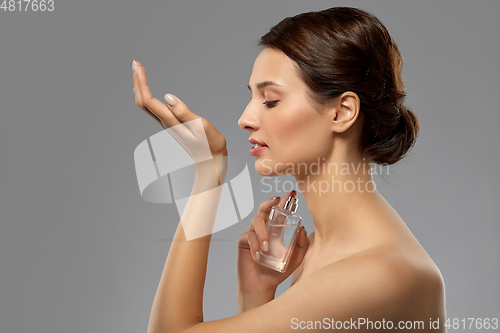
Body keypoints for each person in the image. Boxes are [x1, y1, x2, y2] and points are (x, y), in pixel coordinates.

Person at [132, 6, 446, 333]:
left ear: (342, 112)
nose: (245, 119)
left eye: (270, 100)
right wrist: (256, 296)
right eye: (252, 98)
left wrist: (207, 178)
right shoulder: (319, 252)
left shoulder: (380, 272)